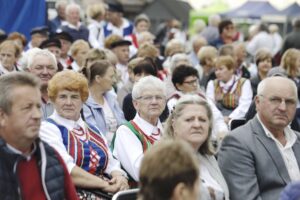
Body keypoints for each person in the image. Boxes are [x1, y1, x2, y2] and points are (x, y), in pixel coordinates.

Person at [39, 70, 129, 197]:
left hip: (105, 192)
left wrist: (119, 176)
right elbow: (66, 170)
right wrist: (104, 185)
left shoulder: (93, 129)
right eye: (63, 97)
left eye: (74, 97)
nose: (69, 103)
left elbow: (111, 163)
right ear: (53, 99)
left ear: (83, 100)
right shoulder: (47, 128)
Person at [218, 76, 300, 200]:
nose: (283, 108)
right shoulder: (237, 142)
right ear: (257, 102)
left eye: (289, 102)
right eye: (275, 100)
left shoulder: (297, 139)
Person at [0, 72, 77, 199]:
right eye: (27, 108)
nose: (37, 115)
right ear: (2, 116)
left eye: (38, 107)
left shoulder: (51, 156)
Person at [164, 94, 229, 200]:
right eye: (189, 119)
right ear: (174, 124)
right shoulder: (163, 161)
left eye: (202, 120)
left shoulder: (208, 157)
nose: (197, 125)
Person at [112, 76, 167, 185]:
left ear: (165, 102)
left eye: (159, 97)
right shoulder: (126, 131)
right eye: (148, 98)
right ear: (136, 104)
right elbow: (141, 172)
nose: (154, 102)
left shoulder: (169, 130)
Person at [82, 60, 126, 145]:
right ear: (98, 78)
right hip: (101, 148)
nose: (114, 80)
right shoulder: (85, 102)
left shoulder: (111, 98)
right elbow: (94, 132)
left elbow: (123, 123)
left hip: (120, 145)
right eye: (111, 77)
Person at [206, 55, 252, 123]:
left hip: (238, 120)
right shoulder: (212, 84)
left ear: (231, 69)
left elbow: (245, 105)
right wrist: (220, 119)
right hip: (218, 120)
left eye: (221, 69)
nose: (217, 72)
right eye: (216, 70)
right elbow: (210, 105)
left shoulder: (244, 83)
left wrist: (230, 118)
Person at [25, 48, 58, 120]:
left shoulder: (64, 97)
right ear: (28, 71)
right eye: (39, 68)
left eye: (50, 68)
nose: (45, 72)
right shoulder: (20, 99)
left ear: (56, 71)